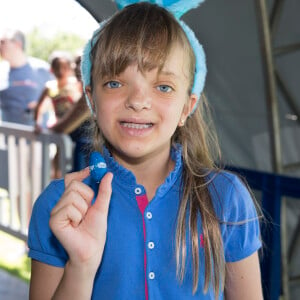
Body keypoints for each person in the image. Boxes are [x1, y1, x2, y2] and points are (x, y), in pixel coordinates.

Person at [28, 2, 263, 300]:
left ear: (186, 108)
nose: (138, 101)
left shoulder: (225, 199)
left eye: (163, 87)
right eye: (115, 82)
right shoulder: (60, 206)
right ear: (92, 100)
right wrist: (81, 267)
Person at [34, 51, 82, 178]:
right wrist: (38, 124)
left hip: (75, 126)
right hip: (61, 127)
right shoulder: (50, 87)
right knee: (58, 156)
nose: (61, 71)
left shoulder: (75, 84)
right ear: (52, 69)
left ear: (70, 69)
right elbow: (38, 107)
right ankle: (57, 180)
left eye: (65, 68)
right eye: (57, 68)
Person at [0, 29, 53, 125]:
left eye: (3, 42)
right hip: (8, 136)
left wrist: (41, 106)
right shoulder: (1, 70)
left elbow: (59, 95)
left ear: (17, 44)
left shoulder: (41, 68)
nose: (0, 46)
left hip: (37, 136)